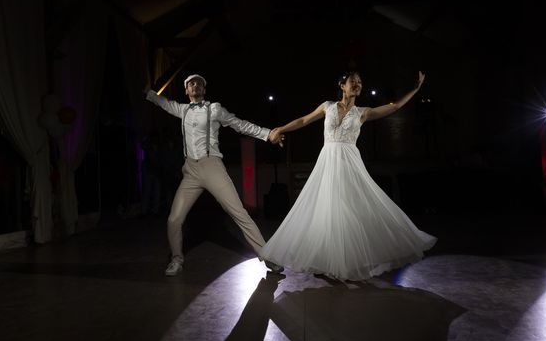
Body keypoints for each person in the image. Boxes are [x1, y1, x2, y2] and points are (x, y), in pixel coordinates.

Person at [259, 70, 437, 281]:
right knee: (325, 211)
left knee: (348, 210)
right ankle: (324, 261)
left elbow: (395, 107)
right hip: (327, 162)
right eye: (353, 81)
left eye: (360, 82)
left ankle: (347, 263)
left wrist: (415, 89)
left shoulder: (363, 112)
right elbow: (304, 120)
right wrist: (281, 129)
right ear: (342, 85)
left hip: (349, 163)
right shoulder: (328, 106)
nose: (358, 84)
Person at [145, 74, 284, 276]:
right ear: (186, 90)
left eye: (199, 83)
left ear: (204, 89)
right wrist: (147, 92)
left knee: (239, 213)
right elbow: (162, 102)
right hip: (191, 170)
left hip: (212, 166)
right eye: (191, 83)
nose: (195, 85)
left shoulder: (214, 109)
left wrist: (267, 133)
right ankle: (176, 259)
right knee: (174, 219)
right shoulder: (182, 110)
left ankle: (268, 256)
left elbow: (240, 124)